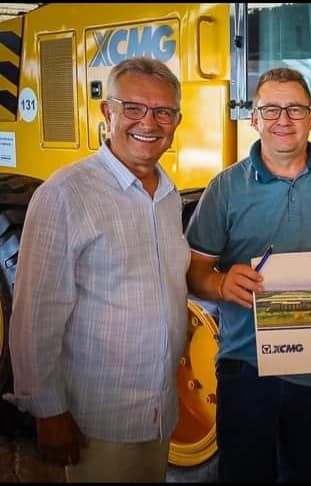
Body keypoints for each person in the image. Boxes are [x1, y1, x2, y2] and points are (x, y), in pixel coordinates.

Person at [3, 57, 189, 482]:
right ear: (107, 112)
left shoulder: (167, 194)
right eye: (133, 108)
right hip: (97, 421)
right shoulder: (66, 194)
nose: (149, 123)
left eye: (163, 112)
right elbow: (35, 314)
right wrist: (48, 412)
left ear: (177, 121)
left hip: (158, 412)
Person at [184, 67, 311, 482]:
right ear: (254, 119)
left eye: (295, 109)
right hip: (245, 365)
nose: (283, 120)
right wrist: (220, 283)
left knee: (310, 473)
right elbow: (194, 273)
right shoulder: (224, 188)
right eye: (271, 109)